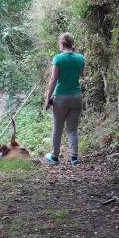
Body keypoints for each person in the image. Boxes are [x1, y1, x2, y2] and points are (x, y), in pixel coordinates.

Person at [44, 32, 85, 166]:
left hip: (61, 97)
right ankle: (74, 158)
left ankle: (55, 157)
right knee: (72, 129)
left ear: (61, 43)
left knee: (57, 128)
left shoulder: (58, 58)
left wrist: (48, 97)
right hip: (77, 97)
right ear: (71, 43)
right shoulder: (80, 58)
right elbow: (79, 75)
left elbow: (53, 79)